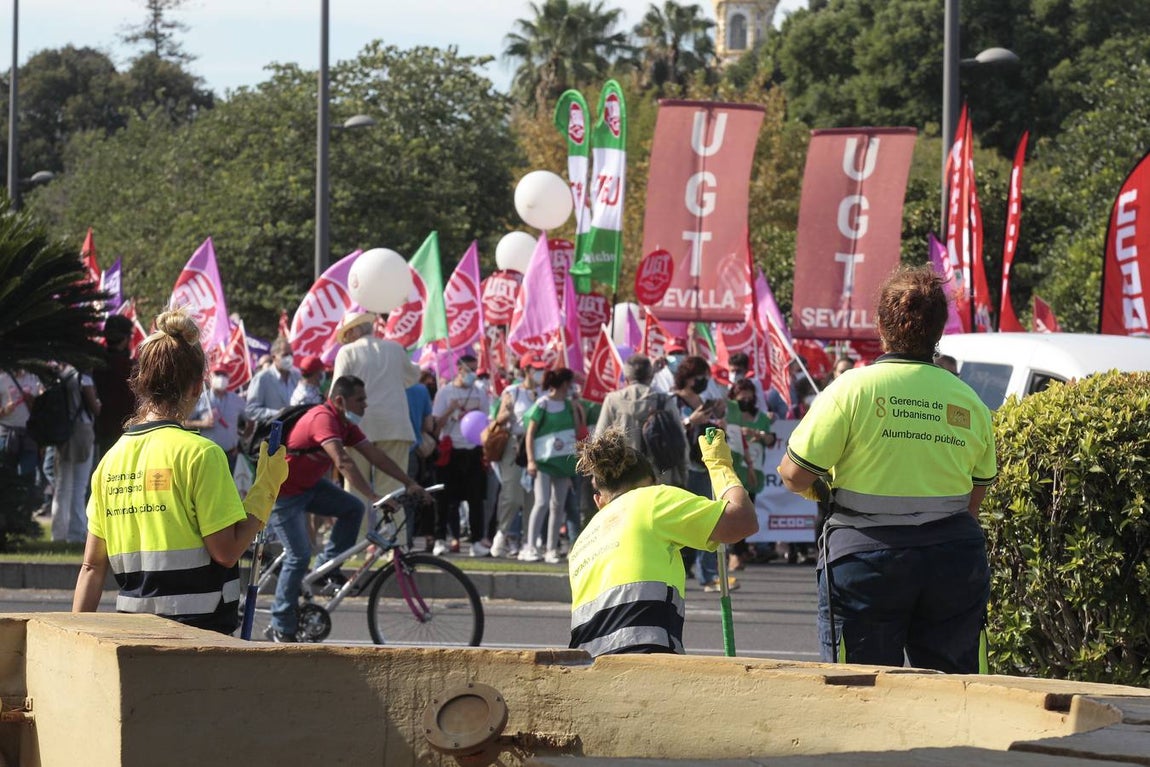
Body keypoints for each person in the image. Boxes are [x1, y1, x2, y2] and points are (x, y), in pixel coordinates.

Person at [778, 265, 996, 673]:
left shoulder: (851, 388)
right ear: (939, 331)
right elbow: (974, 499)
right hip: (952, 559)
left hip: (864, 560)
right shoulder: (969, 401)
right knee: (958, 690)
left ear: (880, 326)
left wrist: (821, 486)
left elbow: (794, 474)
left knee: (860, 690)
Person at [72, 309, 289, 634]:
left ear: (141, 384)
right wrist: (265, 489)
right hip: (198, 637)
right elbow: (227, 552)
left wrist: (75, 638)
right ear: (197, 387)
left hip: (133, 636)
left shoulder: (110, 462)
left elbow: (91, 567)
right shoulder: (201, 454)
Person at [567, 428, 758, 656]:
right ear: (654, 482)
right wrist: (720, 466)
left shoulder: (582, 541)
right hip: (641, 656)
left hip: (588, 663)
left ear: (599, 500)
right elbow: (742, 521)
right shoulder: (654, 499)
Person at [266, 375, 427, 642]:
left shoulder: (344, 423)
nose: (365, 405)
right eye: (360, 400)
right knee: (298, 556)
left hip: (309, 487)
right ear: (340, 401)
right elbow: (342, 461)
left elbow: (375, 455)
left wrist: (409, 483)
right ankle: (281, 623)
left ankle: (325, 570)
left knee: (352, 508)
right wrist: (374, 496)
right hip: (283, 493)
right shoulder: (323, 419)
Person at [331, 311, 422, 516]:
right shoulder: (395, 349)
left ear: (355, 331)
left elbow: (336, 393)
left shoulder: (347, 352)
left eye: (347, 334)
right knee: (393, 488)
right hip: (394, 427)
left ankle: (356, 537)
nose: (346, 339)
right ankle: (393, 537)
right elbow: (413, 376)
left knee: (356, 488)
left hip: (358, 429)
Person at [671, 356, 729, 591]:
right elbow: (669, 430)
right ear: (687, 377)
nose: (703, 381)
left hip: (704, 464)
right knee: (681, 521)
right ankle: (680, 568)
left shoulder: (704, 401)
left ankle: (708, 573)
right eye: (699, 377)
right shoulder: (673, 400)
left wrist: (719, 423)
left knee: (707, 518)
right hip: (683, 467)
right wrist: (689, 421)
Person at [520, 367, 584, 564]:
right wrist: (531, 460)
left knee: (558, 506)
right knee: (542, 502)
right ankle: (530, 546)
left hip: (562, 462)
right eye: (570, 383)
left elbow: (577, 430)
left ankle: (551, 549)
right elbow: (530, 433)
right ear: (564, 384)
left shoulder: (568, 405)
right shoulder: (543, 404)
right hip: (544, 462)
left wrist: (576, 408)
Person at [595, 353, 687, 487]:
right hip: (661, 478)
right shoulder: (663, 401)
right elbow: (681, 442)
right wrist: (683, 475)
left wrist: (599, 476)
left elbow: (599, 441)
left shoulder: (613, 401)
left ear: (626, 378)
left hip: (624, 478)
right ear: (650, 376)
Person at [430, 355, 491, 557]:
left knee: (475, 499)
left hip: (473, 450)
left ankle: (476, 541)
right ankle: (440, 538)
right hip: (451, 450)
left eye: (475, 370)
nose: (473, 374)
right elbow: (436, 425)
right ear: (459, 370)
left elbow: (485, 422)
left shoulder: (480, 392)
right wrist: (450, 410)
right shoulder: (445, 392)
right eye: (469, 370)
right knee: (445, 499)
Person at [489, 352, 545, 558]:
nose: (540, 372)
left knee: (533, 497)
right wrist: (508, 411)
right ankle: (502, 534)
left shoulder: (544, 393)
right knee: (511, 495)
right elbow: (499, 419)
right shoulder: (512, 391)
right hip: (514, 446)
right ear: (526, 370)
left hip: (537, 446)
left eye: (542, 368)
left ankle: (528, 542)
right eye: (536, 369)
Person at [51, 363, 100, 543]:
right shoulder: (83, 378)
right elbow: (95, 408)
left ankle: (58, 533)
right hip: (82, 432)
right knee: (79, 486)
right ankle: (76, 532)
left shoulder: (61, 376)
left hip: (63, 433)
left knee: (62, 485)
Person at [91, 314, 137, 460]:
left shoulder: (95, 365)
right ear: (125, 339)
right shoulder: (130, 368)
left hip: (102, 431)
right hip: (127, 433)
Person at [184, 367, 247, 472]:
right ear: (210, 377)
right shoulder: (200, 399)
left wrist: (242, 441)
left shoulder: (236, 399)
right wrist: (202, 423)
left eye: (224, 375)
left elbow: (250, 419)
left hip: (231, 455)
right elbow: (184, 422)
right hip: (208, 455)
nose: (221, 378)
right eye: (218, 374)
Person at [245, 337, 300, 422]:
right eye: (285, 355)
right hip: (274, 427)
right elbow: (251, 410)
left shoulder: (297, 375)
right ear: (274, 357)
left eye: (291, 354)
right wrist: (278, 414)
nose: (289, 358)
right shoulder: (262, 378)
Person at [0, 368, 41, 480]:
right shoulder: (2, 379)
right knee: (4, 475)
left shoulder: (34, 379)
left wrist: (31, 400)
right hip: (6, 434)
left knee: (27, 475)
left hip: (29, 434)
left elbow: (41, 409)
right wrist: (5, 410)